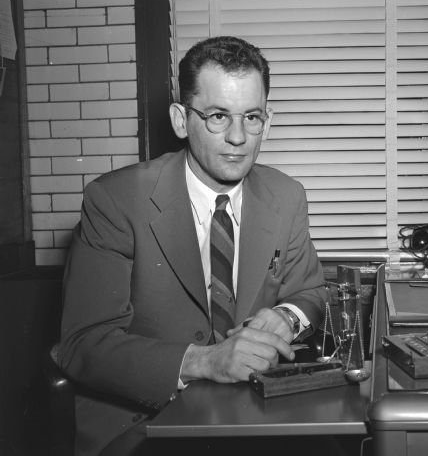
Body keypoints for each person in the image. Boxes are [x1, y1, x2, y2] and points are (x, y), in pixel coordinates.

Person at [57, 35, 327, 456]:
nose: (238, 137)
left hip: (253, 419)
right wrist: (205, 361)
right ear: (182, 121)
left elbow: (309, 292)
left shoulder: (287, 195)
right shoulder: (114, 200)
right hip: (140, 428)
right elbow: (83, 344)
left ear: (267, 122)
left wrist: (285, 318)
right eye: (219, 116)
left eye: (252, 117)